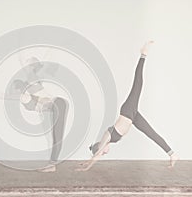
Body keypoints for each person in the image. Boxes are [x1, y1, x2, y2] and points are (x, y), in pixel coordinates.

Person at [76, 41, 178, 171]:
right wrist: (86, 162)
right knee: (151, 133)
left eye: (103, 152)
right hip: (133, 117)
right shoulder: (108, 141)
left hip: (127, 111)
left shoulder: (106, 137)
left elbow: (97, 155)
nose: (105, 152)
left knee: (138, 83)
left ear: (99, 147)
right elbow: (96, 154)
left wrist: (87, 166)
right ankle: (172, 154)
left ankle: (143, 54)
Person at [0, 56, 68, 172]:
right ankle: (51, 164)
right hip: (58, 105)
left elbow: (4, 96)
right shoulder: (31, 88)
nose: (12, 92)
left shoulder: (26, 94)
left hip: (58, 104)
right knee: (55, 137)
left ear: (18, 88)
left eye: (13, 89)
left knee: (56, 136)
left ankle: (52, 165)